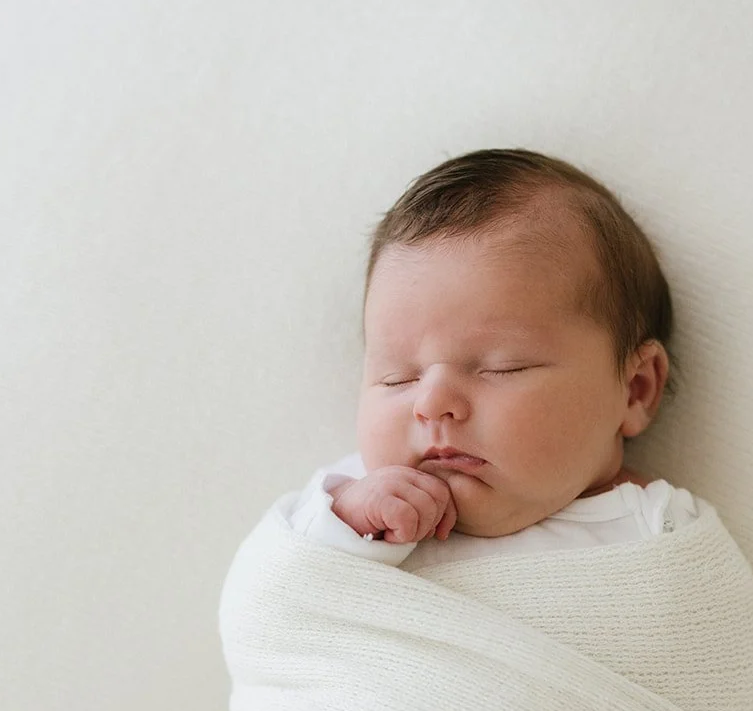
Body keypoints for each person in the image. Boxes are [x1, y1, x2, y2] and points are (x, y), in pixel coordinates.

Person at [279, 146, 698, 567]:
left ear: (635, 390)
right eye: (397, 377)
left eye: (503, 367)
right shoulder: (346, 509)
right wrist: (343, 522)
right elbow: (273, 597)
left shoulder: (661, 532)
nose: (431, 403)